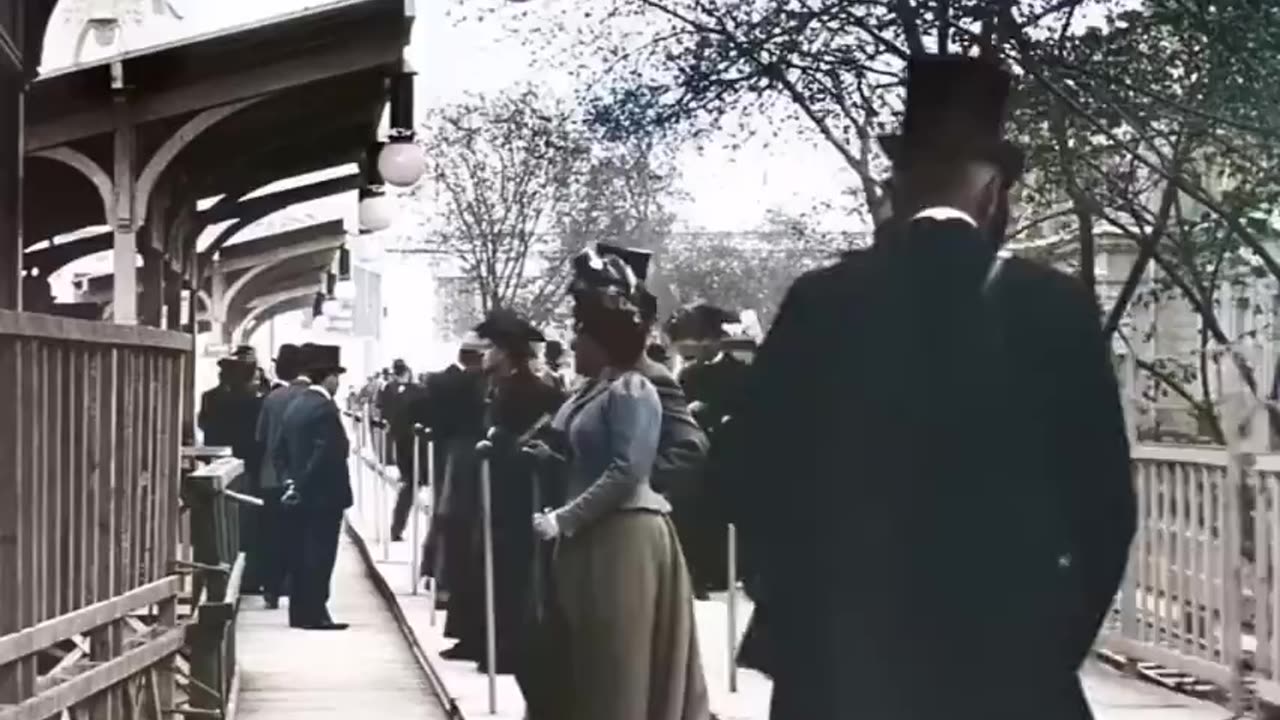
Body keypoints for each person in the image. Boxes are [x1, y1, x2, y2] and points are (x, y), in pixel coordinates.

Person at [717, 55, 1136, 718]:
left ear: (895, 186)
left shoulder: (822, 302)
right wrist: (1052, 640)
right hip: (1008, 669)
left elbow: (745, 477)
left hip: (842, 670)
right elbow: (1107, 509)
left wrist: (802, 609)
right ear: (994, 195)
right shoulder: (1052, 307)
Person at [524, 244, 710, 720]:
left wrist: (628, 494)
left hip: (618, 533)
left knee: (617, 667)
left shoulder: (646, 378)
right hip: (583, 533)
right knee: (575, 662)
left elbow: (684, 450)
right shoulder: (593, 379)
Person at [468, 309, 564, 674]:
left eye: (491, 347)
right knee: (495, 567)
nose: (484, 353)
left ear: (506, 351)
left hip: (519, 493)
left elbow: (547, 437)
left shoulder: (529, 389)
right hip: (497, 489)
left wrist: (502, 446)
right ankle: (493, 642)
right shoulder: (499, 387)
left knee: (514, 571)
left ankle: (510, 646)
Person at [275, 343, 352, 631]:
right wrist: (303, 484)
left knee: (300, 554)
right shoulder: (324, 407)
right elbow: (327, 453)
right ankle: (316, 613)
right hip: (323, 496)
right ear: (328, 376)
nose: (338, 383)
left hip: (299, 494)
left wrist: (290, 482)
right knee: (320, 556)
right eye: (336, 376)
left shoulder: (295, 405)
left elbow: (279, 449)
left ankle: (299, 612)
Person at [253, 343, 309, 609]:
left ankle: (271, 589)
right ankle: (298, 588)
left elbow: (260, 437)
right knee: (302, 536)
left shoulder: (272, 399)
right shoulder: (312, 397)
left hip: (271, 477)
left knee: (272, 536)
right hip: (303, 479)